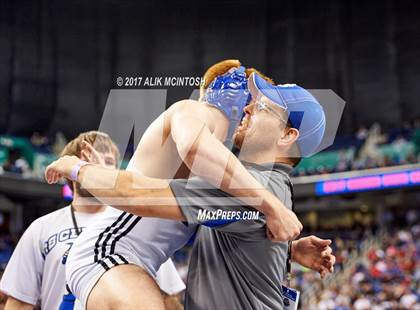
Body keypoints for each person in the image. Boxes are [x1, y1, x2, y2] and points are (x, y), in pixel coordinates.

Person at [46, 71, 335, 309]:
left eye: (260, 106)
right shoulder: (257, 187)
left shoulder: (252, 184)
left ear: (287, 135)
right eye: (248, 99)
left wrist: (79, 169)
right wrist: (279, 239)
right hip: (110, 253)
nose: (248, 107)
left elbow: (144, 195)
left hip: (121, 255)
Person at [0, 131, 185, 310]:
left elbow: (169, 297)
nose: (99, 167)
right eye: (89, 160)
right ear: (70, 170)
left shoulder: (137, 224)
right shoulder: (41, 228)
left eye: (109, 162)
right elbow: (19, 302)